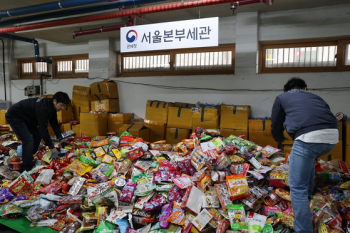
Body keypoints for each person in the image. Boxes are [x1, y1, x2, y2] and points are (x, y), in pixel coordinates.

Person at [271, 77, 338, 233]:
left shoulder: (282, 98)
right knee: (308, 159)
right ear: (305, 88)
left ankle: (303, 230)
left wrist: (279, 139)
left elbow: (275, 124)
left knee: (297, 187)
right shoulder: (315, 97)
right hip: (332, 138)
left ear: (286, 90)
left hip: (308, 138)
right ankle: (309, 195)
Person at [5, 92, 70, 171]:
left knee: (38, 135)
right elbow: (44, 130)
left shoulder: (52, 106)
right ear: (55, 101)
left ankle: (28, 156)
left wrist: (60, 138)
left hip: (28, 118)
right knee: (28, 140)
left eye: (65, 106)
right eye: (61, 105)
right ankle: (26, 169)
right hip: (15, 116)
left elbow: (54, 123)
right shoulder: (43, 108)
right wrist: (52, 148)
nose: (63, 108)